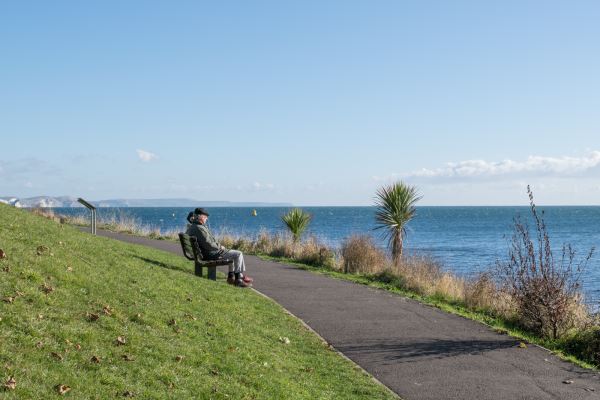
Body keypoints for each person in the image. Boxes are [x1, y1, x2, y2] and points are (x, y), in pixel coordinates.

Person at [185, 208, 253, 288]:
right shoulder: (199, 228)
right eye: (205, 217)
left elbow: (208, 242)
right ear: (201, 217)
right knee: (238, 254)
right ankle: (238, 279)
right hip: (210, 254)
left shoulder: (193, 226)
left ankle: (231, 277)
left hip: (203, 253)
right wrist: (220, 247)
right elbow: (209, 244)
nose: (206, 219)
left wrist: (219, 246)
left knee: (231, 253)